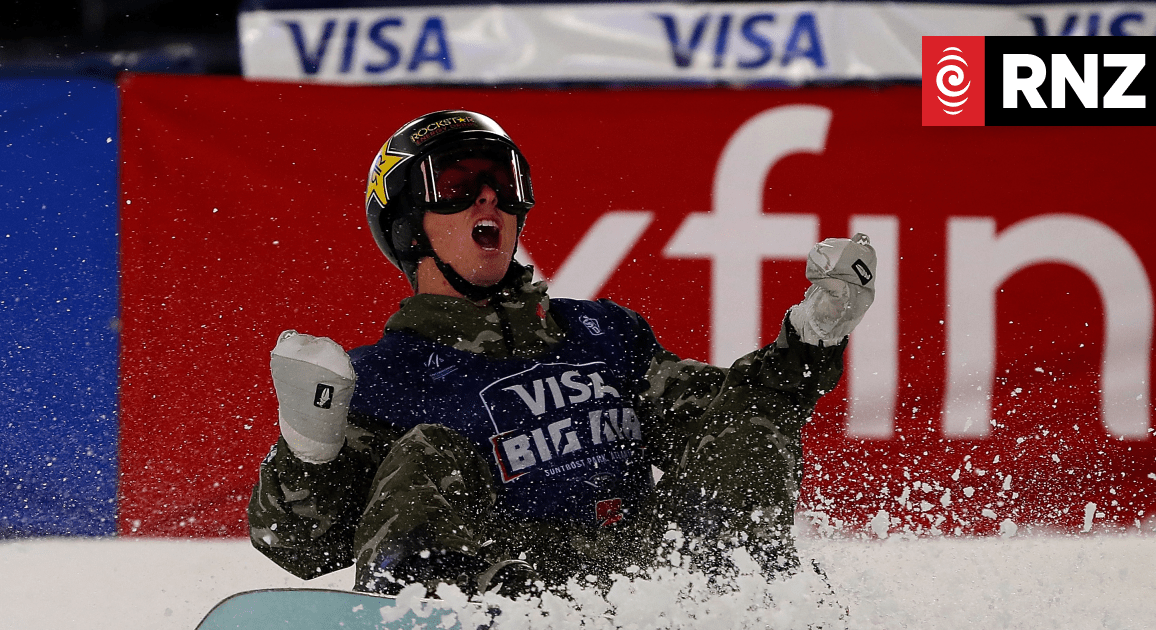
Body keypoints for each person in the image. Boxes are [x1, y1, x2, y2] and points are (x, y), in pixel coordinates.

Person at [248, 110, 876, 598]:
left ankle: (754, 609)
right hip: (513, 597)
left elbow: (724, 420)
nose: (488, 198)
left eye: (503, 182)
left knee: (750, 437)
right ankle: (424, 620)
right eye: (458, 183)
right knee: (428, 450)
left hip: (651, 587)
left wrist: (810, 340)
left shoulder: (604, 334)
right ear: (410, 223)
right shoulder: (379, 378)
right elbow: (301, 546)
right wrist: (310, 449)